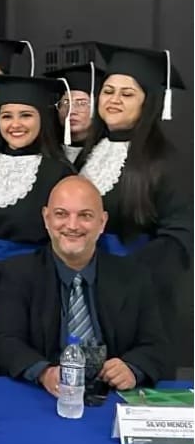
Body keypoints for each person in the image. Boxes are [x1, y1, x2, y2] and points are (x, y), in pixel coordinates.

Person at [0, 176, 171, 393]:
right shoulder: (18, 273)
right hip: (43, 394)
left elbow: (155, 345)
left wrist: (132, 369)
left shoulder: (134, 275)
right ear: (46, 219)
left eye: (85, 215)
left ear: (102, 222)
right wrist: (44, 373)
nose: (72, 225)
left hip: (111, 395)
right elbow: (4, 341)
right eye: (61, 214)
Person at [77, 42, 191, 350]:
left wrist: (125, 277)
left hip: (137, 293)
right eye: (108, 91)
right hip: (82, 288)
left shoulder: (165, 162)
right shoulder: (88, 154)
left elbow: (178, 237)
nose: (114, 100)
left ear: (148, 103)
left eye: (127, 94)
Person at [0, 74, 74, 372]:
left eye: (26, 115)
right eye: (6, 116)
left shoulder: (59, 174)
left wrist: (12, 296)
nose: (15, 124)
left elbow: (64, 243)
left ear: (42, 119)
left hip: (34, 290)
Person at [45, 63, 102, 163]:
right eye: (66, 102)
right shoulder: (46, 150)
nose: (71, 111)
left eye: (82, 103)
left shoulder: (106, 151)